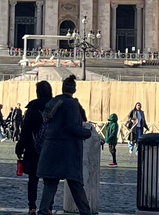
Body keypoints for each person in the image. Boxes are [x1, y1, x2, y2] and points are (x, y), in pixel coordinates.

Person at [36, 75, 93, 215]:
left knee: (50, 183)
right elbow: (71, 127)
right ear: (74, 89)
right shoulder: (72, 104)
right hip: (67, 151)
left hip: (50, 148)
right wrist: (87, 132)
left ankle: (43, 211)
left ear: (62, 88)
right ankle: (85, 212)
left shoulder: (54, 102)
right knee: (75, 183)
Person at [16, 81, 53, 215]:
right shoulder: (56, 107)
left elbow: (25, 130)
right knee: (49, 180)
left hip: (33, 148)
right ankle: (48, 207)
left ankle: (32, 206)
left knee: (33, 179)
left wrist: (20, 147)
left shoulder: (32, 108)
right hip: (51, 148)